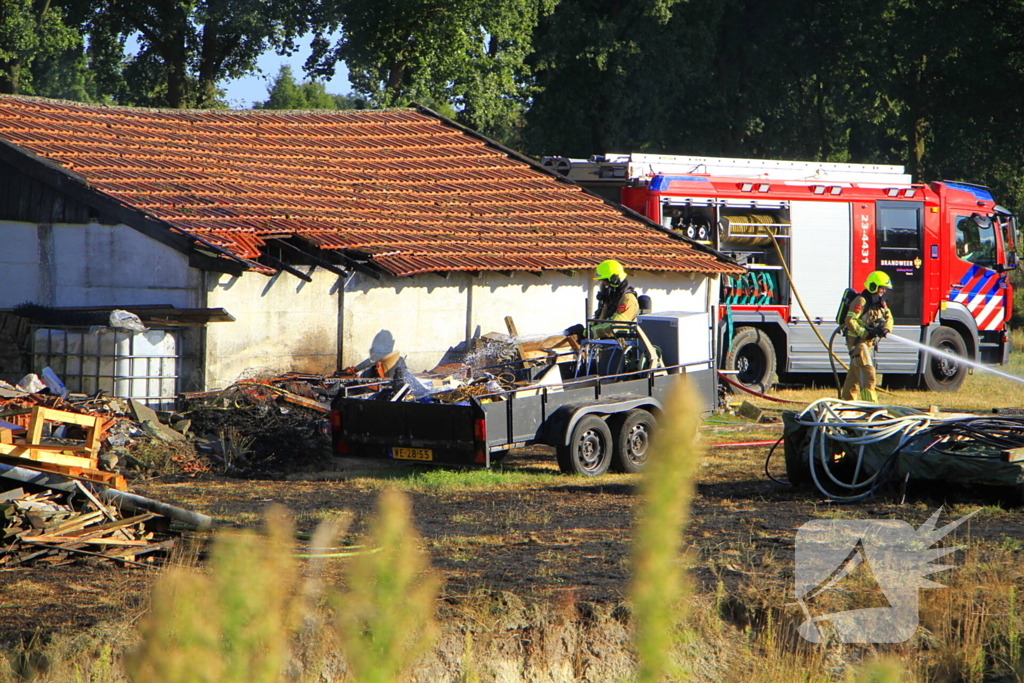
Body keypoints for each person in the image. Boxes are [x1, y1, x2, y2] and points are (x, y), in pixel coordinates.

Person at [841, 270, 895, 403]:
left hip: (868, 343)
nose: (883, 291)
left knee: (854, 374)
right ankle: (871, 405)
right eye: (881, 288)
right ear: (873, 286)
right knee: (868, 371)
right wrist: (865, 332)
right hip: (857, 341)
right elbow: (850, 320)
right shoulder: (861, 300)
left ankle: (847, 403)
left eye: (884, 289)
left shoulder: (881, 303)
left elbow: (889, 317)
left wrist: (886, 329)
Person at [564, 259, 639, 339]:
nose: (602, 285)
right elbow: (600, 322)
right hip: (604, 346)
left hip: (620, 347)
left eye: (604, 282)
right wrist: (584, 330)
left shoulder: (627, 299)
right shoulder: (610, 299)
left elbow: (615, 326)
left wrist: (588, 333)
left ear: (614, 281)